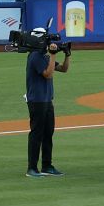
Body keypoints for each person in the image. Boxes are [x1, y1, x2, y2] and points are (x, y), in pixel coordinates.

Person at [24, 28, 70, 178]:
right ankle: (31, 168)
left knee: (48, 133)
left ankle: (47, 165)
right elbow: (48, 74)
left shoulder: (44, 56)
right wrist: (52, 55)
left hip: (47, 100)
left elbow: (63, 69)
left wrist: (67, 54)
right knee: (36, 134)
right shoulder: (36, 56)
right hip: (37, 100)